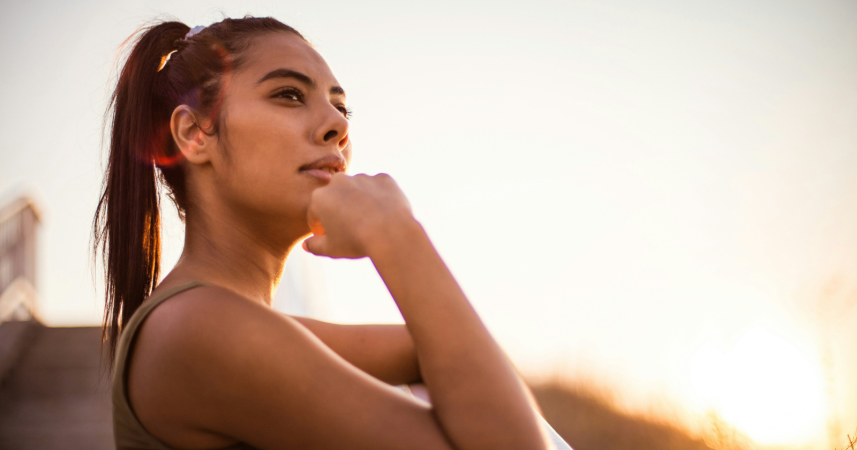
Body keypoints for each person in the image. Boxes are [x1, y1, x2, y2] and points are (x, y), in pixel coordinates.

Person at [94, 16, 566, 450]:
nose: (338, 126)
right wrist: (395, 233)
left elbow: (452, 352)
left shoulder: (234, 326)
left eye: (341, 107)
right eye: (289, 95)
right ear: (195, 133)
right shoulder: (197, 328)